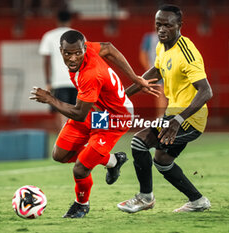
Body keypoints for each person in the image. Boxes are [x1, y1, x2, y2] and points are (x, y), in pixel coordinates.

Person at [30, 30, 159, 218]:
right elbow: (108, 48)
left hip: (115, 119)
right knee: (60, 155)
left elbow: (79, 113)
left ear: (84, 48)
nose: (73, 58)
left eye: (77, 53)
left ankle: (81, 204)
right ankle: (113, 161)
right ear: (61, 50)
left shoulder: (90, 75)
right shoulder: (87, 47)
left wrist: (50, 99)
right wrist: (134, 78)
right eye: (68, 53)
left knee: (80, 168)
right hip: (98, 111)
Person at [117, 4, 213, 213]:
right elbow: (154, 72)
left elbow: (206, 91)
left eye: (167, 25)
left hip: (189, 119)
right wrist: (121, 96)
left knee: (139, 142)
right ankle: (197, 201)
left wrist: (178, 121)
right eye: (158, 25)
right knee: (162, 161)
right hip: (173, 115)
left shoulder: (187, 53)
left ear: (179, 25)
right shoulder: (163, 46)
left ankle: (145, 198)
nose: (161, 29)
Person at [39, 10, 77, 131]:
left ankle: (63, 138)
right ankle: (76, 141)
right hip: (76, 80)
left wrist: (48, 81)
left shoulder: (49, 36)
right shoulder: (78, 35)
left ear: (57, 21)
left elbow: (46, 61)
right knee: (77, 112)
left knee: (61, 111)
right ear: (70, 20)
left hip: (58, 81)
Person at [139, 31, 168, 117]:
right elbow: (143, 55)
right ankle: (161, 117)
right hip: (156, 69)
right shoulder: (149, 38)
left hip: (170, 69)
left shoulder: (172, 37)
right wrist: (150, 71)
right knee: (161, 92)